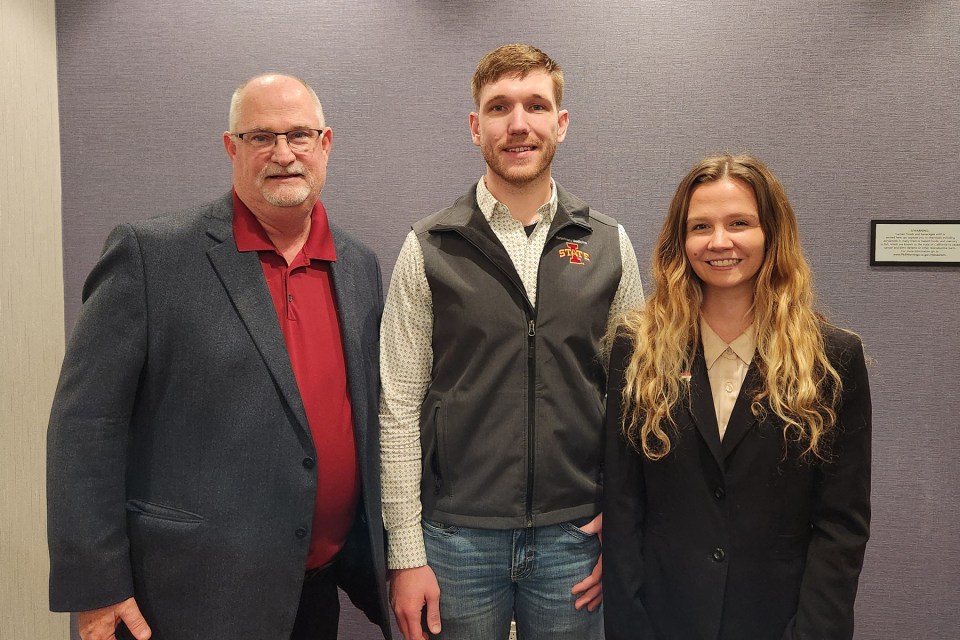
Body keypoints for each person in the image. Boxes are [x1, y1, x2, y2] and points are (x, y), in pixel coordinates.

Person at [47, 74, 392, 640]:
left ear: (325, 143)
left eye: (299, 135)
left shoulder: (357, 265)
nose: (283, 154)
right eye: (261, 137)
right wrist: (97, 584)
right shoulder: (151, 257)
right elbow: (85, 424)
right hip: (190, 597)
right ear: (231, 147)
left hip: (316, 588)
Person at [380, 44, 644, 640]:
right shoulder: (429, 247)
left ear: (561, 123)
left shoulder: (607, 244)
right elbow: (397, 407)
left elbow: (638, 398)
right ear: (476, 127)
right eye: (499, 107)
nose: (518, 124)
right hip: (455, 540)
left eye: (535, 105)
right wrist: (406, 551)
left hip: (575, 537)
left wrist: (626, 521)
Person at [603, 153, 872, 640]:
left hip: (780, 621)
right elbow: (622, 507)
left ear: (772, 233)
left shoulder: (833, 359)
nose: (719, 241)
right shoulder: (637, 349)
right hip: (663, 619)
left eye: (739, 223)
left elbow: (841, 527)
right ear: (680, 242)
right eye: (700, 225)